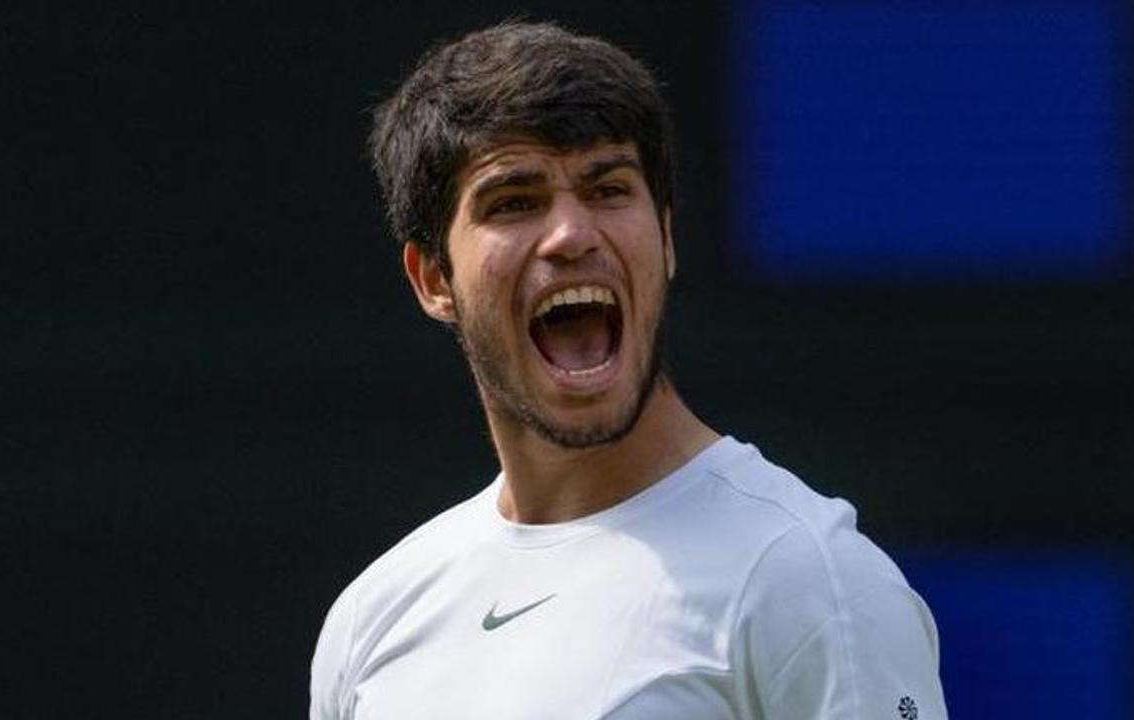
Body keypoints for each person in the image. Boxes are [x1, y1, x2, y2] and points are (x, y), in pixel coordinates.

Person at [311, 21, 948, 719]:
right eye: (515, 202)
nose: (572, 235)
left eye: (608, 189)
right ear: (433, 277)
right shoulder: (373, 618)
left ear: (667, 238)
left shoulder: (808, 577)